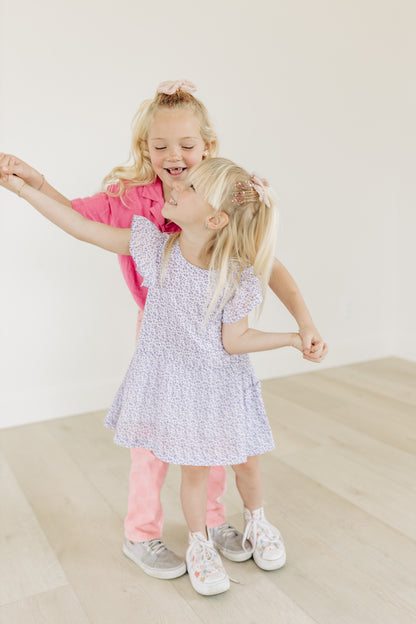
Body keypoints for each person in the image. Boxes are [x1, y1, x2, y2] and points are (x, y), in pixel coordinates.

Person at [0, 80, 327, 581]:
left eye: (186, 146)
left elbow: (267, 266)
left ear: (208, 148)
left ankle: (212, 522)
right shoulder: (140, 210)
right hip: (162, 334)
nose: (174, 158)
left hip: (213, 344)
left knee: (210, 435)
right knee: (154, 443)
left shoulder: (223, 195)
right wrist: (32, 185)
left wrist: (302, 325)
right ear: (145, 148)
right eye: (160, 146)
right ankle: (143, 532)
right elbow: (80, 221)